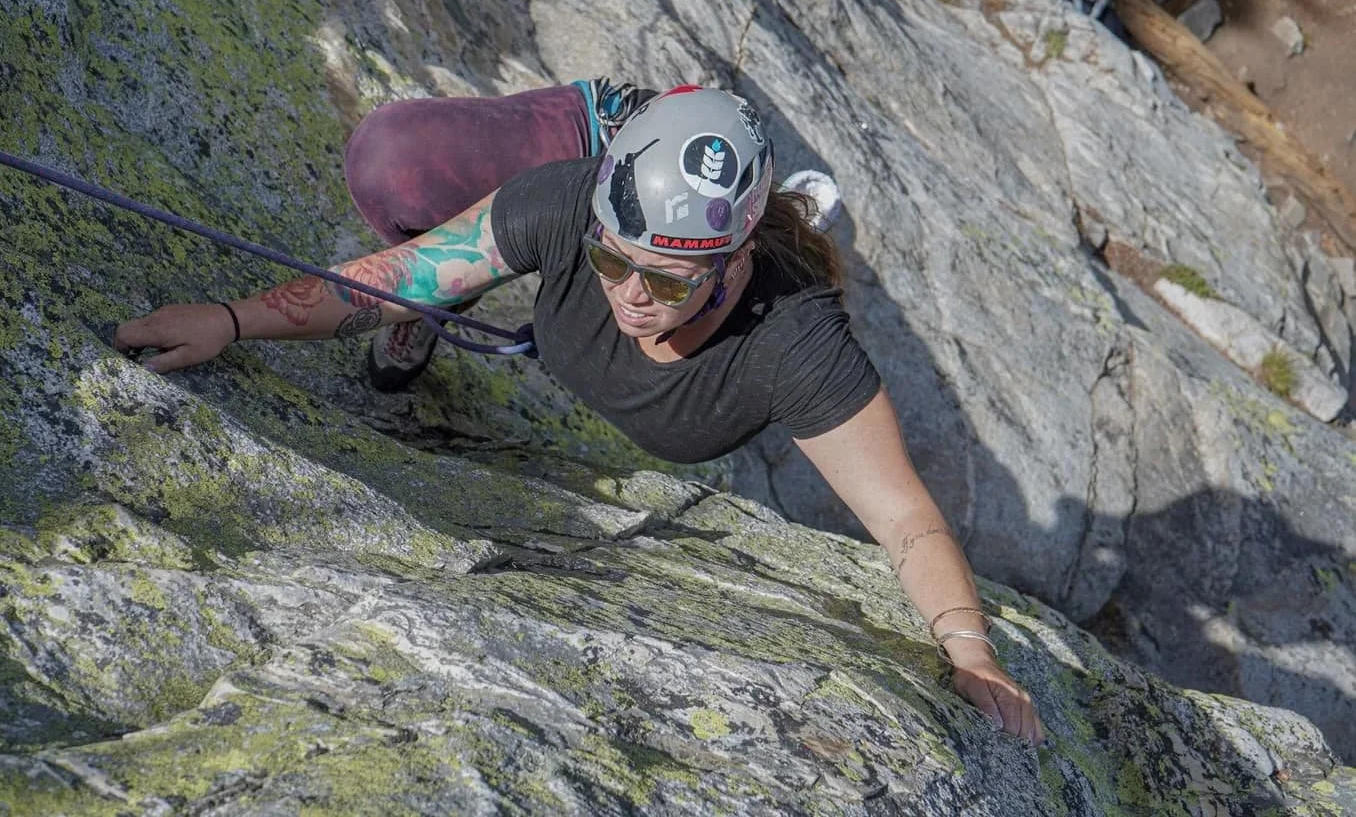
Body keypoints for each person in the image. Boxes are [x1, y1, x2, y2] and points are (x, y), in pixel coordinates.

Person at [114, 81, 1048, 745]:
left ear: (733, 263)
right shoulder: (573, 204)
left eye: (666, 279)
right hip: (605, 132)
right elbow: (404, 273)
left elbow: (901, 514)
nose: (631, 296)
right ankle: (451, 312)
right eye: (613, 263)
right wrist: (234, 322)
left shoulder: (792, 340)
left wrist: (968, 650)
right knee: (391, 161)